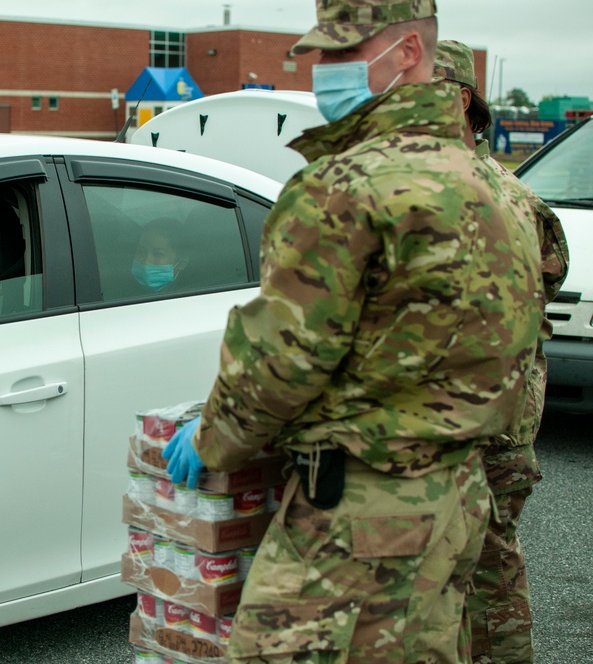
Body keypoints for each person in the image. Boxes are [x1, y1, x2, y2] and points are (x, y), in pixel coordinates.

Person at [163, 1, 545, 662]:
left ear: (406, 54)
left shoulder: (344, 186)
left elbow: (282, 356)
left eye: (344, 54)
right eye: (322, 54)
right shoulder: (492, 188)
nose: (324, 71)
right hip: (456, 499)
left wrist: (213, 439)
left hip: (364, 514)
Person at [434, 40, 569, 664]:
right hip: (496, 422)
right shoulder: (512, 191)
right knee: (480, 577)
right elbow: (553, 273)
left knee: (478, 580)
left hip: (478, 430)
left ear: (462, 99)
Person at [130, 218, 189, 293]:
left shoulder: (191, 296)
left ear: (181, 263)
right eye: (141, 251)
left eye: (158, 254)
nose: (146, 261)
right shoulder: (120, 287)